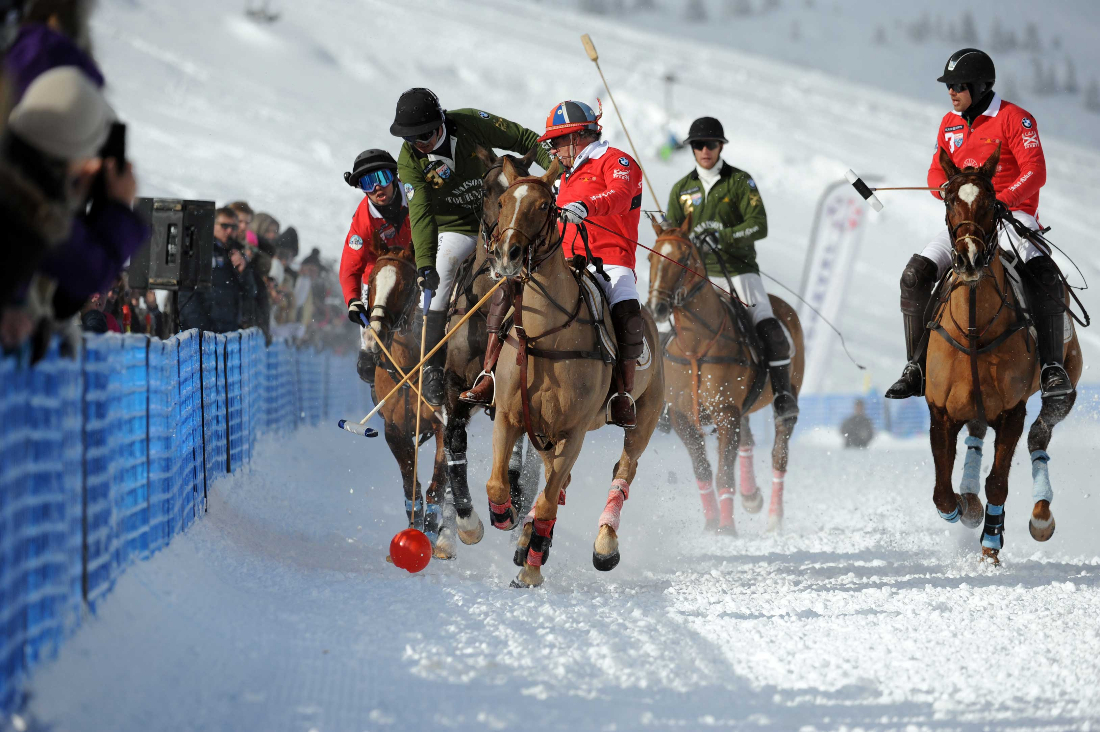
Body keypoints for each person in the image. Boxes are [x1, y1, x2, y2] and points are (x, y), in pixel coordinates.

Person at [885, 48, 1068, 401]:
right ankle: (916, 367)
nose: (952, 92)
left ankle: (1051, 368)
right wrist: (945, 188)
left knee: (1044, 274)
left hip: (1013, 216)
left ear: (981, 86)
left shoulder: (1016, 118)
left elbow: (1035, 170)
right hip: (968, 221)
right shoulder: (949, 123)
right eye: (949, 85)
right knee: (915, 275)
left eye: (959, 85)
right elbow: (937, 169)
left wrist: (1004, 201)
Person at [463, 99, 645, 428]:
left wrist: (587, 206)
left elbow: (619, 194)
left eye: (557, 142)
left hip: (609, 260)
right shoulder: (560, 176)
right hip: (559, 259)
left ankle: (622, 393)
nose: (554, 149)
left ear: (576, 138)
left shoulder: (616, 160)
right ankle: (489, 374)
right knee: (506, 290)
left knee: (626, 309)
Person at [390, 87, 552, 406]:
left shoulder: (468, 122)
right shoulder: (409, 160)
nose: (417, 144)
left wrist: (553, 176)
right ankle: (434, 368)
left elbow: (522, 138)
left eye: (422, 135)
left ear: (439, 124)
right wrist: (424, 264)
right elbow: (421, 213)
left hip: (500, 216)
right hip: (458, 227)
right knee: (444, 267)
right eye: (410, 138)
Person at [665, 116, 797, 421]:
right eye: (698, 145)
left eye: (710, 144)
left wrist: (723, 236)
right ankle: (663, 397)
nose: (705, 150)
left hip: (738, 271)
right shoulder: (681, 189)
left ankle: (782, 396)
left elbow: (758, 225)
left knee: (770, 329)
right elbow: (673, 234)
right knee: (664, 328)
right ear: (692, 149)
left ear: (720, 146)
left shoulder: (740, 181)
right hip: (697, 276)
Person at [338, 149, 414, 389]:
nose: (377, 188)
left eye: (381, 178)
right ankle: (372, 359)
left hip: (420, 266)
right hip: (380, 276)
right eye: (367, 183)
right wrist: (352, 300)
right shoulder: (362, 219)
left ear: (394, 176)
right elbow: (350, 267)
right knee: (370, 347)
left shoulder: (416, 195)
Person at [178, 207, 257, 333]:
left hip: (228, 331)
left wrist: (243, 270)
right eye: (224, 226)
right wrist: (201, 329)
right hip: (202, 332)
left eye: (234, 227)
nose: (229, 231)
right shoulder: (200, 250)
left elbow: (251, 292)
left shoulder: (238, 253)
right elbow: (186, 295)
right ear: (213, 225)